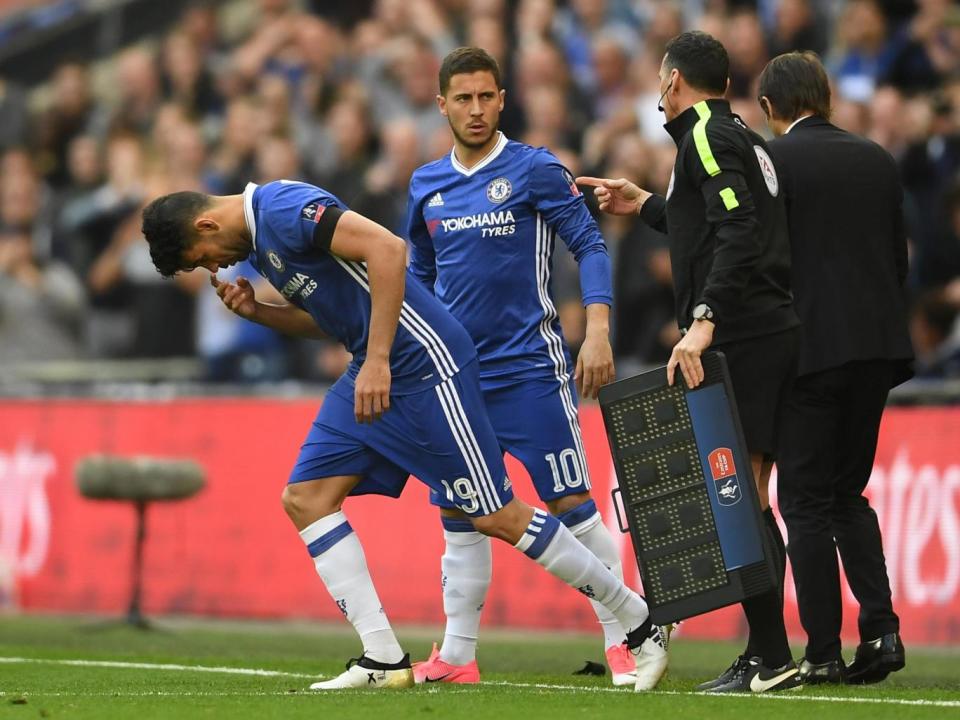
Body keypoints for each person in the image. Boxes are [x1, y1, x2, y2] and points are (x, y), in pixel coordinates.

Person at [140, 179, 666, 692]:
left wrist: (379, 359)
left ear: (206, 223)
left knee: (493, 514)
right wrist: (261, 312)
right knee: (306, 498)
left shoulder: (283, 208)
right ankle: (383, 658)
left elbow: (387, 250)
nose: (213, 266)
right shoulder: (264, 245)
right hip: (372, 370)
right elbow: (341, 316)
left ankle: (637, 620)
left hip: (421, 362)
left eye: (200, 255)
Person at [404, 46, 666, 690]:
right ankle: (459, 656)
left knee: (571, 502)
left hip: (529, 371)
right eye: (461, 98)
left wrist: (597, 332)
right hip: (455, 380)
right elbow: (417, 274)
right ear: (441, 104)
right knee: (460, 512)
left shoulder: (535, 170)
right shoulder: (424, 184)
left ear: (502, 100)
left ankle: (625, 640)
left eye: (485, 96)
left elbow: (590, 245)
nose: (474, 109)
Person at [578, 30, 801, 693]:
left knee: (741, 494)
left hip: (747, 336)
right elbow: (713, 222)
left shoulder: (704, 136)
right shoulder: (734, 135)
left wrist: (704, 322)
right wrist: (645, 204)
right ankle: (768, 654)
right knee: (747, 495)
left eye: (659, 80)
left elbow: (737, 234)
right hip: (767, 329)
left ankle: (770, 657)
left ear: (673, 81)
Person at [758, 51, 913, 685]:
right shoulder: (877, 159)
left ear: (770, 109)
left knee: (803, 501)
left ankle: (822, 649)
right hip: (877, 349)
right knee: (848, 493)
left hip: (812, 353)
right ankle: (882, 631)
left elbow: (760, 254)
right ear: (824, 96)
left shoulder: (776, 161)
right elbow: (897, 258)